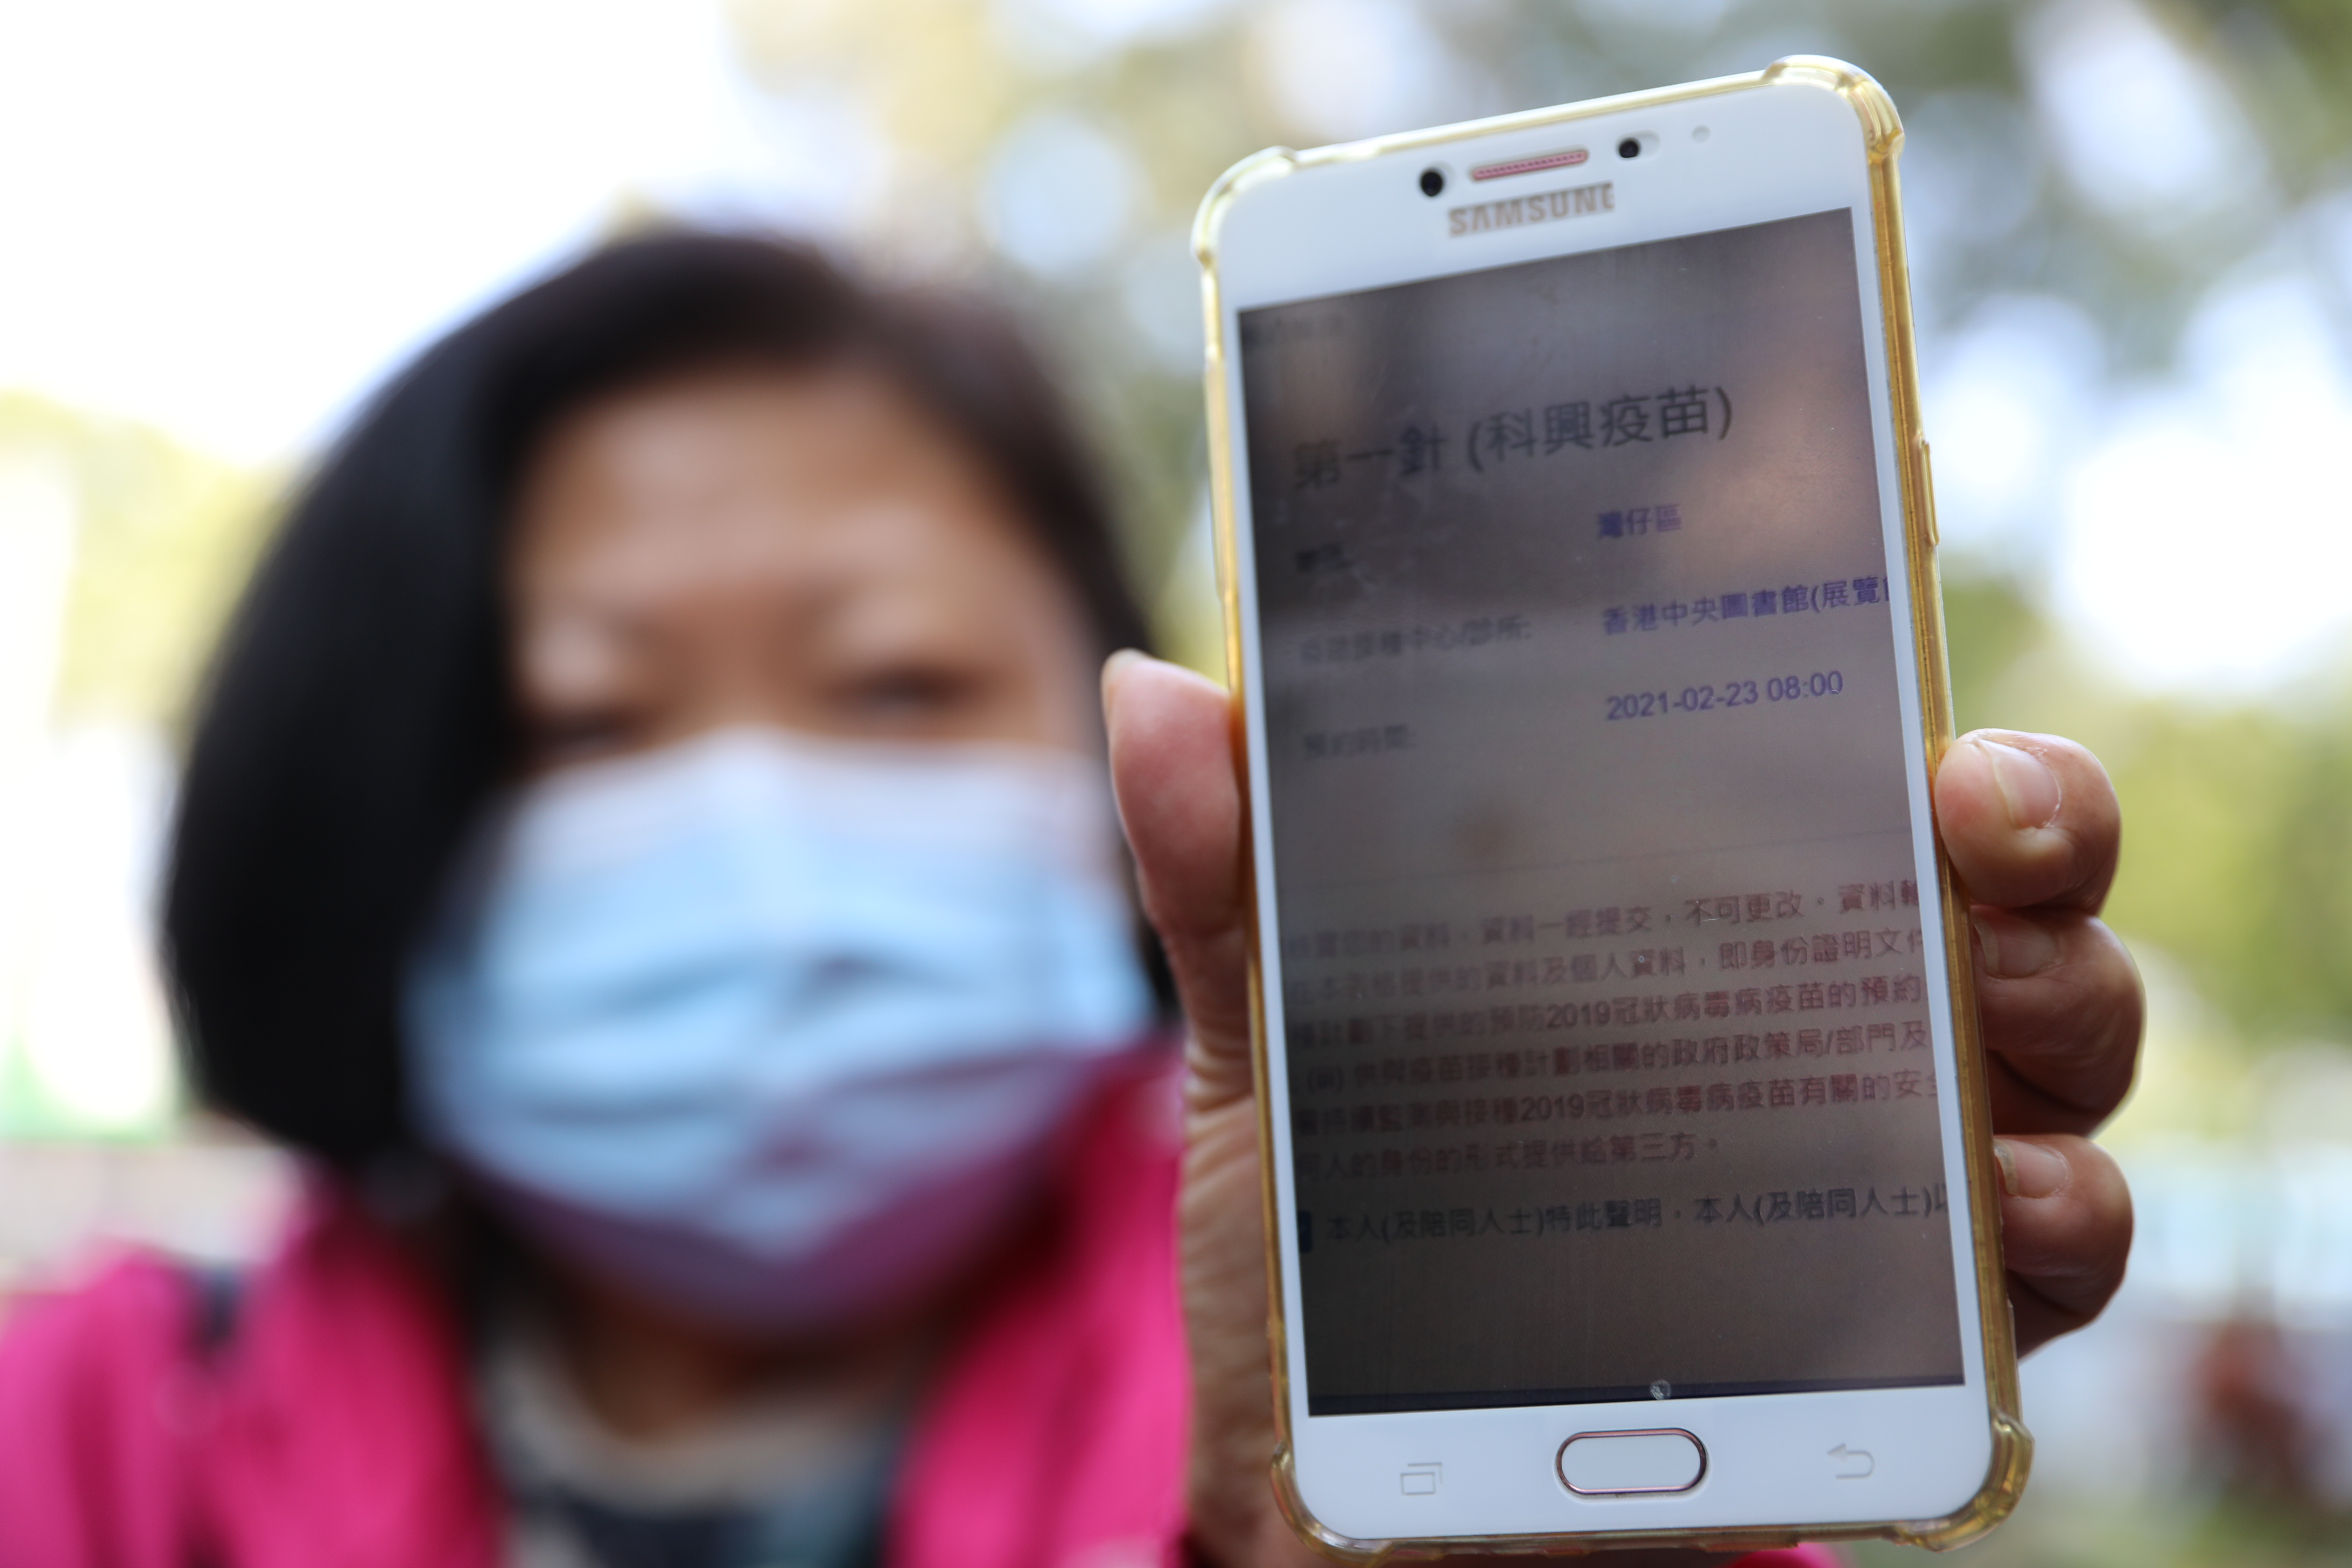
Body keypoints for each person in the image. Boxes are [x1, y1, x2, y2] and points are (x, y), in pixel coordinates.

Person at [0, 233, 2140, 1568]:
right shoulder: (83, 1436)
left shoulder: (1392, 1391)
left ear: (1138, 758)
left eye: (895, 685)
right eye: (581, 724)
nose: (759, 829)